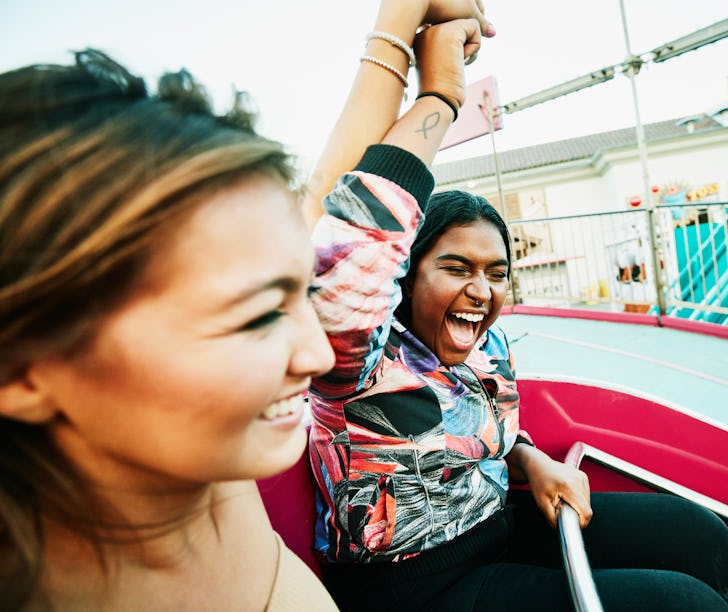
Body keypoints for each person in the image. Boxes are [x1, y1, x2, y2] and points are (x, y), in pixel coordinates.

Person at [0, 2, 494, 608]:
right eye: (257, 316)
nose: (316, 352)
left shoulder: (195, 483)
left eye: (296, 295)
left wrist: (428, 76)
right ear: (23, 369)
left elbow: (327, 204)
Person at [304, 7, 728, 612]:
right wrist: (441, 96)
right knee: (684, 604)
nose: (482, 290)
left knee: (698, 532)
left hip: (499, 528)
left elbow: (476, 429)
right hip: (417, 589)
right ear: (405, 274)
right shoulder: (353, 366)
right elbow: (350, 258)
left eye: (496, 273)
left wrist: (529, 457)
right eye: (456, 268)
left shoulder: (486, 346)